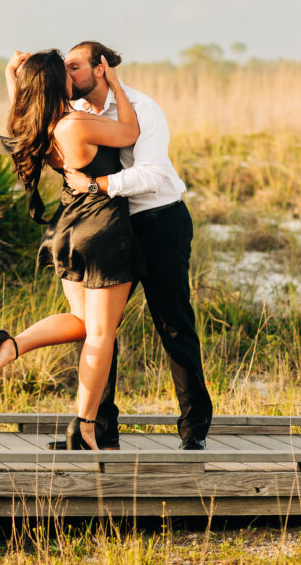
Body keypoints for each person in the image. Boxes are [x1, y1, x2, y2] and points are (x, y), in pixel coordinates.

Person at [0, 48, 146, 451]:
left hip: (66, 230)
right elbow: (131, 132)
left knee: (84, 322)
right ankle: (86, 428)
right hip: (101, 227)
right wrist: (117, 86)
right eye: (65, 73)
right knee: (101, 335)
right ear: (57, 84)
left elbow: (21, 99)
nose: (72, 77)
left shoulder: (32, 125)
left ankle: (9, 346)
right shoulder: (75, 125)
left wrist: (11, 72)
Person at [60, 40, 213, 451]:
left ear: (100, 68)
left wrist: (97, 185)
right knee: (99, 329)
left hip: (159, 221)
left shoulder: (143, 109)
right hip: (113, 228)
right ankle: (99, 431)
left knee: (173, 323)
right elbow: (31, 117)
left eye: (73, 66)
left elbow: (150, 174)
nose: (66, 74)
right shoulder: (78, 116)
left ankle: (194, 430)